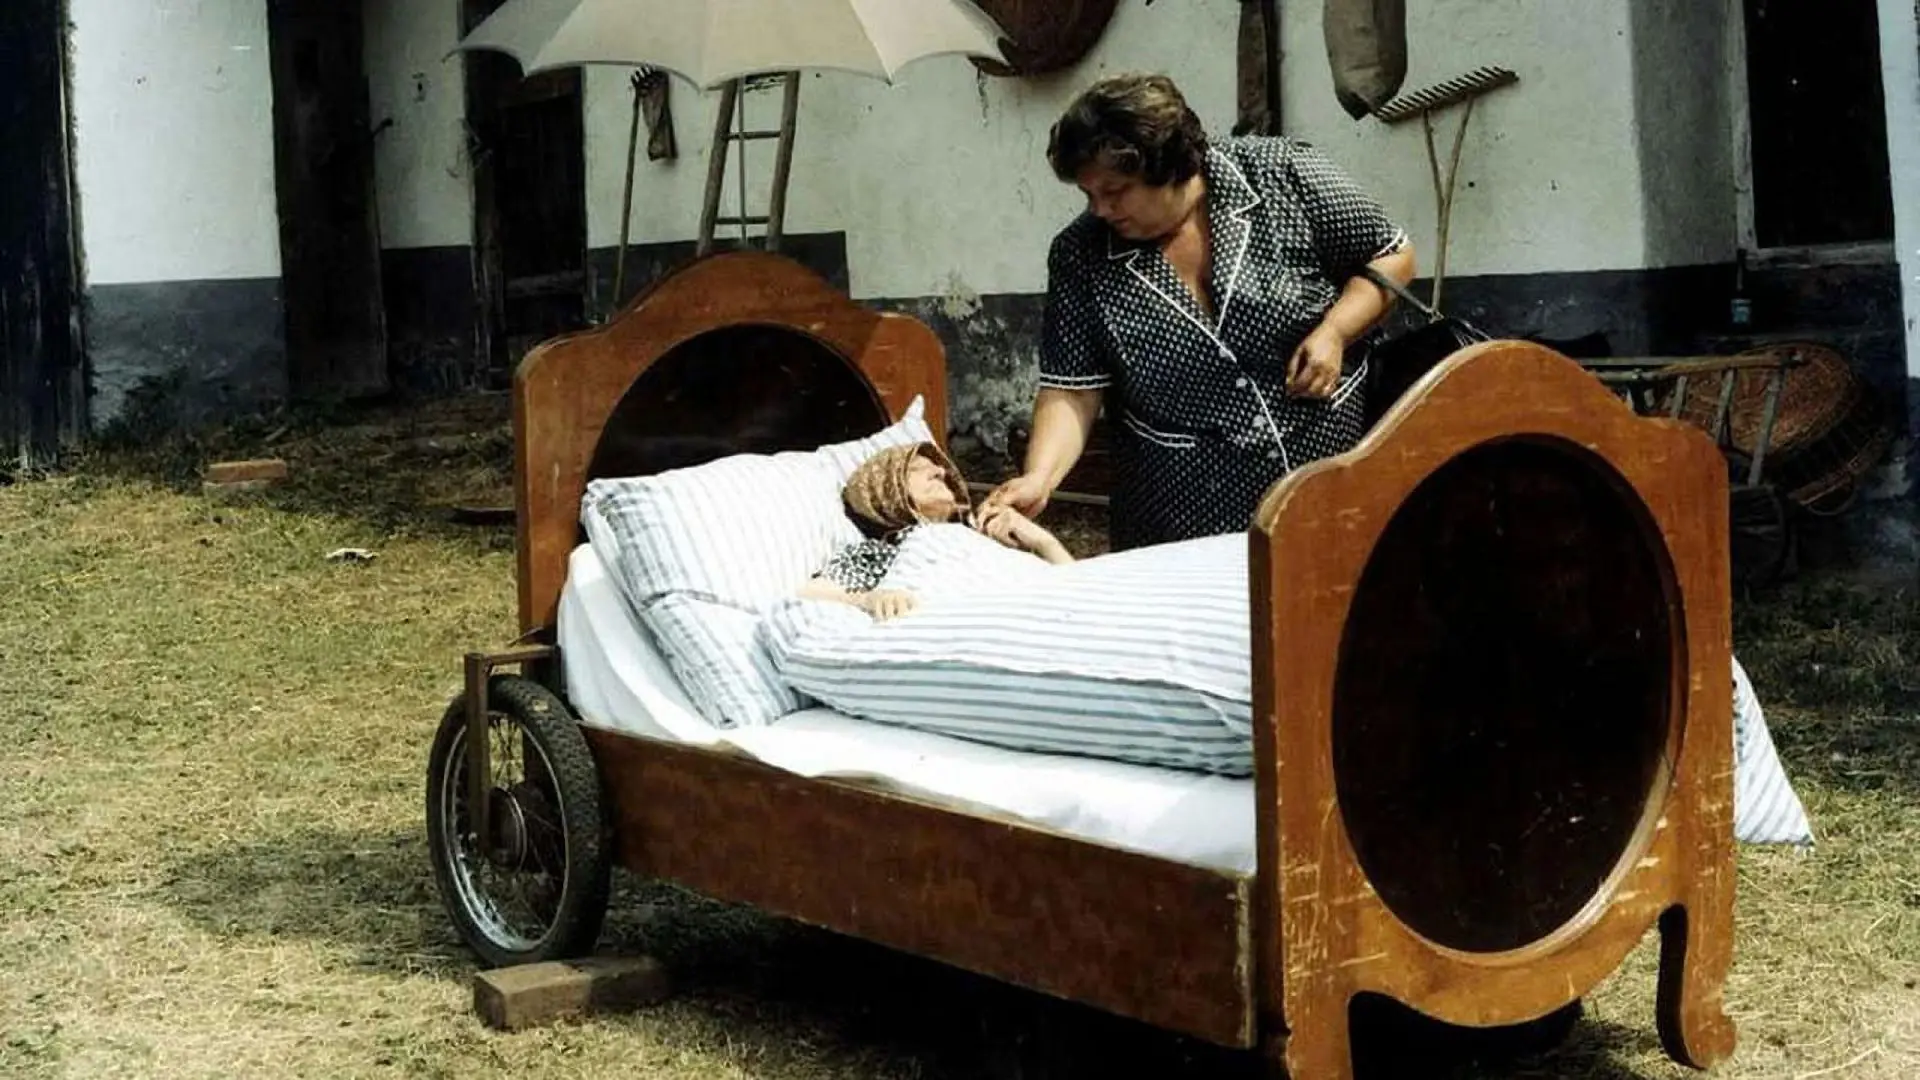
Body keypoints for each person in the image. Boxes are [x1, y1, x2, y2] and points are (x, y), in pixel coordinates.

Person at [984, 72, 1419, 550]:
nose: (1101, 210)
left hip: (1330, 475)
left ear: (1168, 166)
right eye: (1089, 195)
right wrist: (1040, 478)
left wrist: (1336, 332)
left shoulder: (1282, 174)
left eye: (1115, 190)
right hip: (1182, 513)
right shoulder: (1081, 254)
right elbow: (1072, 390)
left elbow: (1391, 255)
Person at [799, 441, 1074, 621]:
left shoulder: (989, 537)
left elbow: (1074, 587)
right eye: (918, 469)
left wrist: (1043, 542)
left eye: (938, 467)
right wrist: (870, 599)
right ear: (888, 493)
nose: (940, 471)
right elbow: (809, 593)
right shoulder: (885, 550)